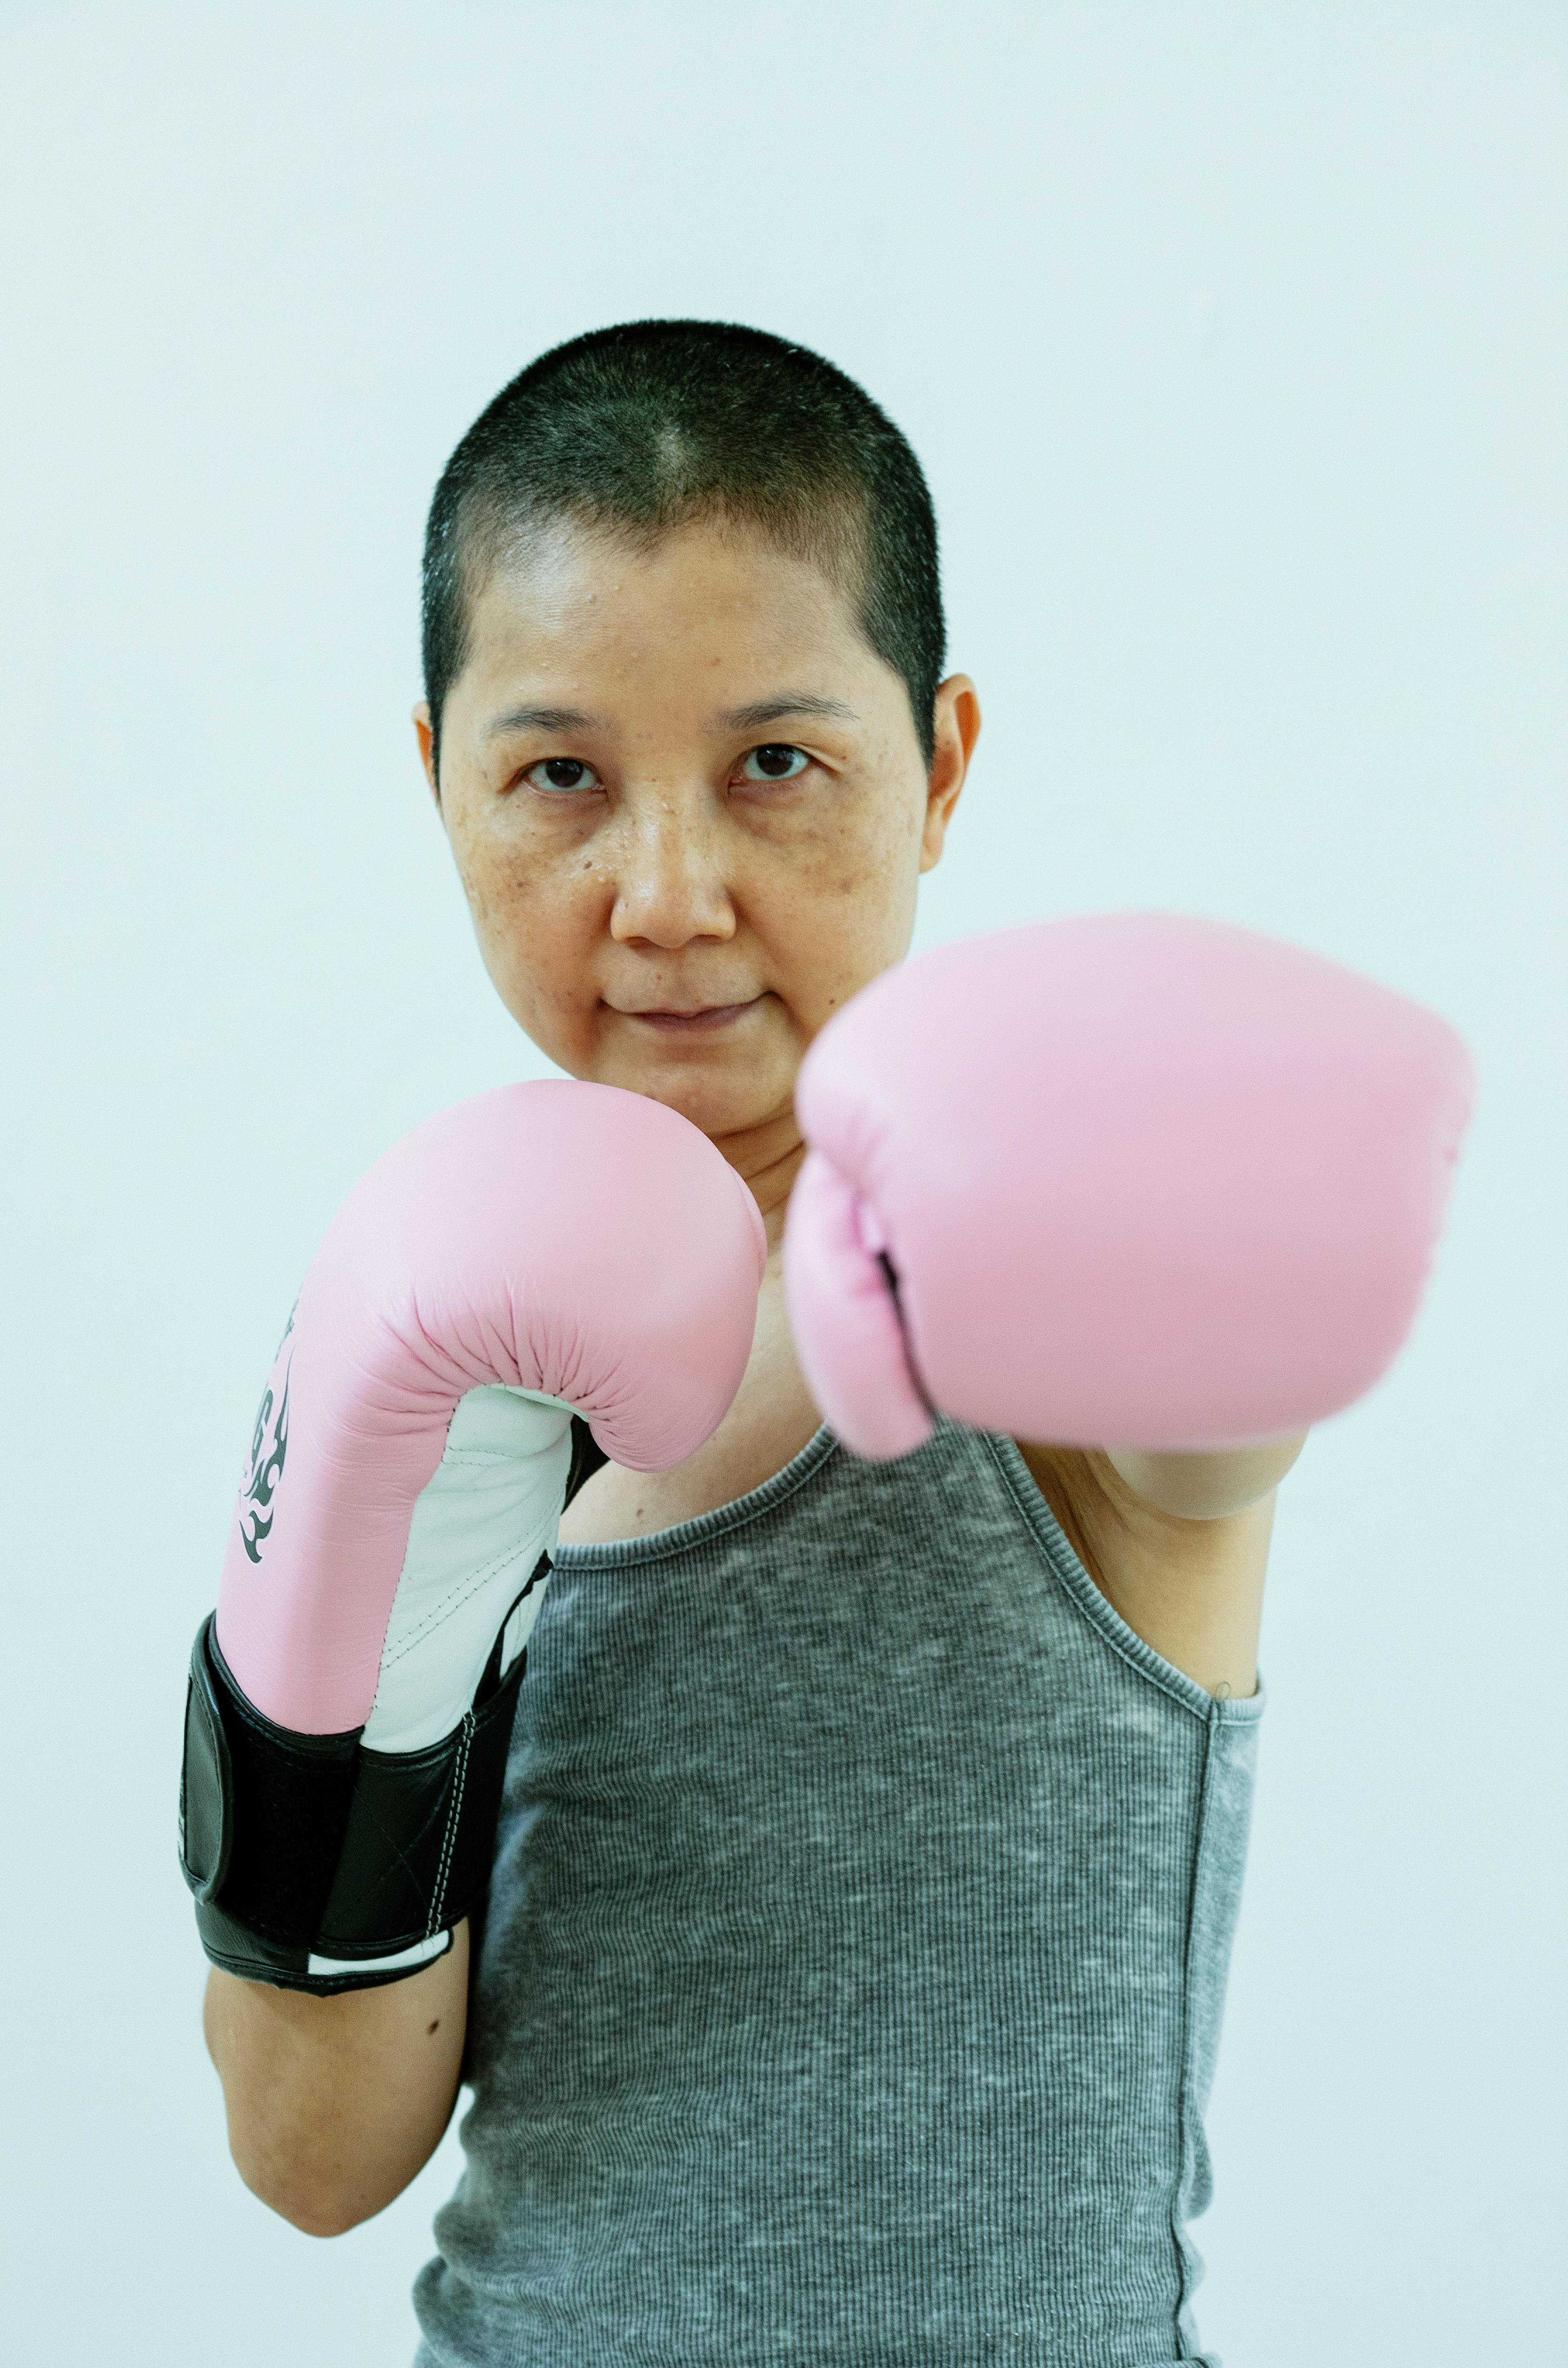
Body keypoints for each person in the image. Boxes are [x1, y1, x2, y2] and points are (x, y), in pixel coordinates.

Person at [191, 320, 1466, 2365]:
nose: (671, 892)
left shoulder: (1041, 1272)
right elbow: (316, 2155)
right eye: (560, 778)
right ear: (436, 779)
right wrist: (369, 1590)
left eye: (777, 764)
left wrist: (1237, 1197)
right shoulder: (434, 1331)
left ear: (940, 765)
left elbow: (1225, 1429)